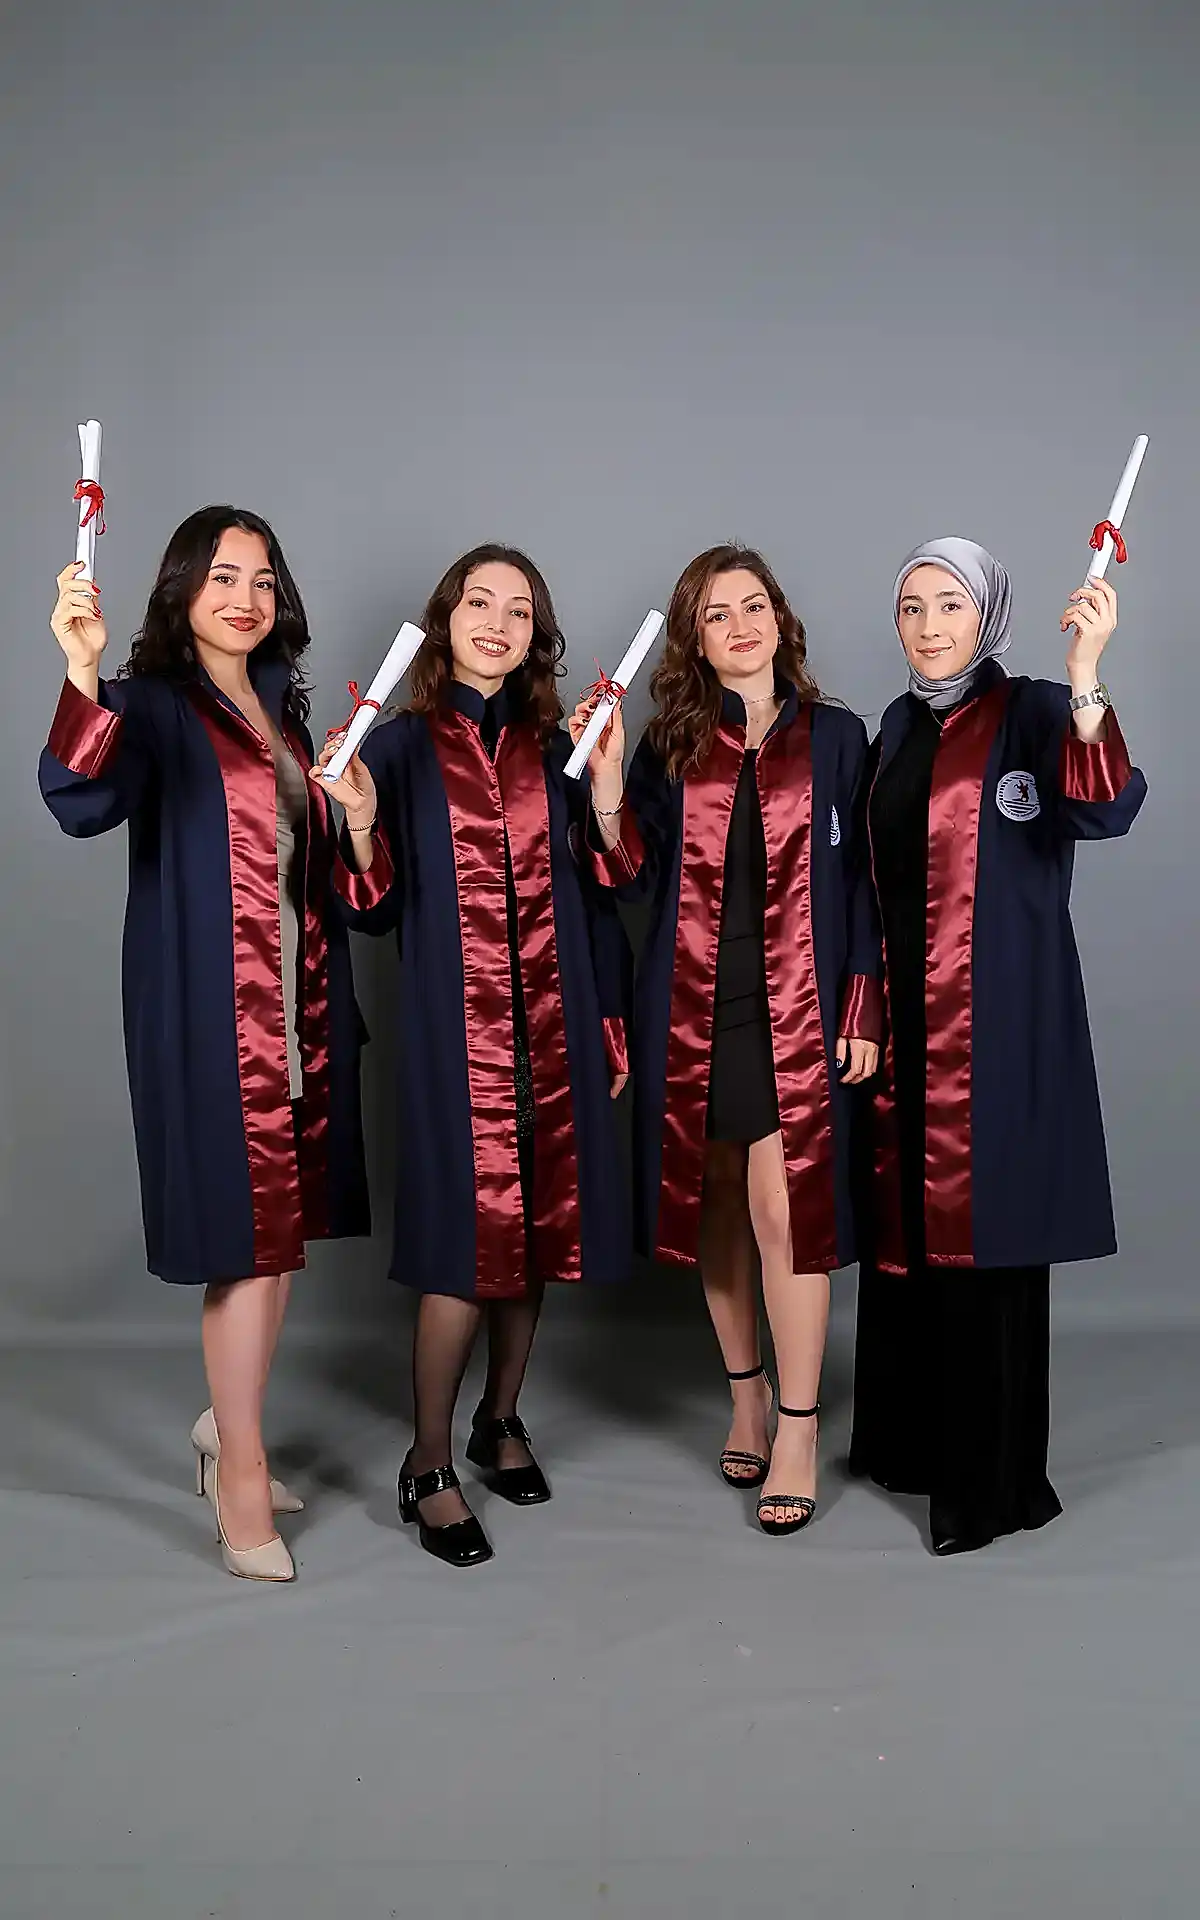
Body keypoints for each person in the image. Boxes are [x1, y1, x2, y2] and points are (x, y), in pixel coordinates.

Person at [39, 508, 372, 1583]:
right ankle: (241, 1473)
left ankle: (225, 1427)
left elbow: (326, 878)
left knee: (283, 1236)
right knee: (245, 1244)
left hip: (300, 1004)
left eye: (263, 580)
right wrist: (81, 673)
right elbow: (81, 803)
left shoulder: (284, 713)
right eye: (223, 576)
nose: (245, 597)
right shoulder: (150, 706)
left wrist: (358, 817)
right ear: (182, 588)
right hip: (209, 1009)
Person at [319, 544, 631, 1568]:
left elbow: (609, 888)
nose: (497, 623)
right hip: (458, 1040)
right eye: (478, 603)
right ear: (444, 619)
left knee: (534, 1229)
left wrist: (610, 1017)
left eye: (518, 609)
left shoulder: (559, 748)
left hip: (557, 1022)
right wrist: (361, 822)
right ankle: (427, 1462)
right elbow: (370, 909)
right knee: (464, 1243)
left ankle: (500, 1420)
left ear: (537, 634)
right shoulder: (398, 750)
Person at [848, 537, 1147, 1554]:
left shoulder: (1034, 711)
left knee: (991, 1239)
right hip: (903, 1030)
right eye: (912, 608)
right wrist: (863, 1013)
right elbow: (867, 886)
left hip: (1002, 1027)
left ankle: (989, 1482)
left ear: (989, 616)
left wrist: (1087, 673)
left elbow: (1104, 807)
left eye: (951, 606)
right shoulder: (893, 729)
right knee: (906, 1235)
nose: (929, 627)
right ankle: (907, 1447)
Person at [575, 545, 881, 1535]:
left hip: (800, 1001)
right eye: (717, 614)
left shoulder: (838, 738)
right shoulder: (671, 745)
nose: (741, 626)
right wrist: (608, 785)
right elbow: (627, 879)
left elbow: (866, 881)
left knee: (785, 1210)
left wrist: (863, 1001)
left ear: (780, 621)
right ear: (694, 640)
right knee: (716, 1204)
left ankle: (797, 1424)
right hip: (692, 1004)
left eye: (755, 607)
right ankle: (745, 1391)